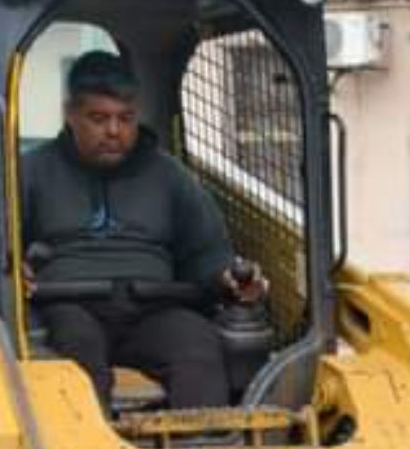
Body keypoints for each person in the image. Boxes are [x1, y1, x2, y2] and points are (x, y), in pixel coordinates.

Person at [17, 49, 267, 413]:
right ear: (70, 114)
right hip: (68, 306)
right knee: (78, 356)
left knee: (197, 347)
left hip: (154, 307)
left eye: (125, 118)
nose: (114, 131)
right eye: (99, 119)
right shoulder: (30, 172)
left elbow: (207, 254)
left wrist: (228, 278)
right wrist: (15, 270)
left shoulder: (170, 177)